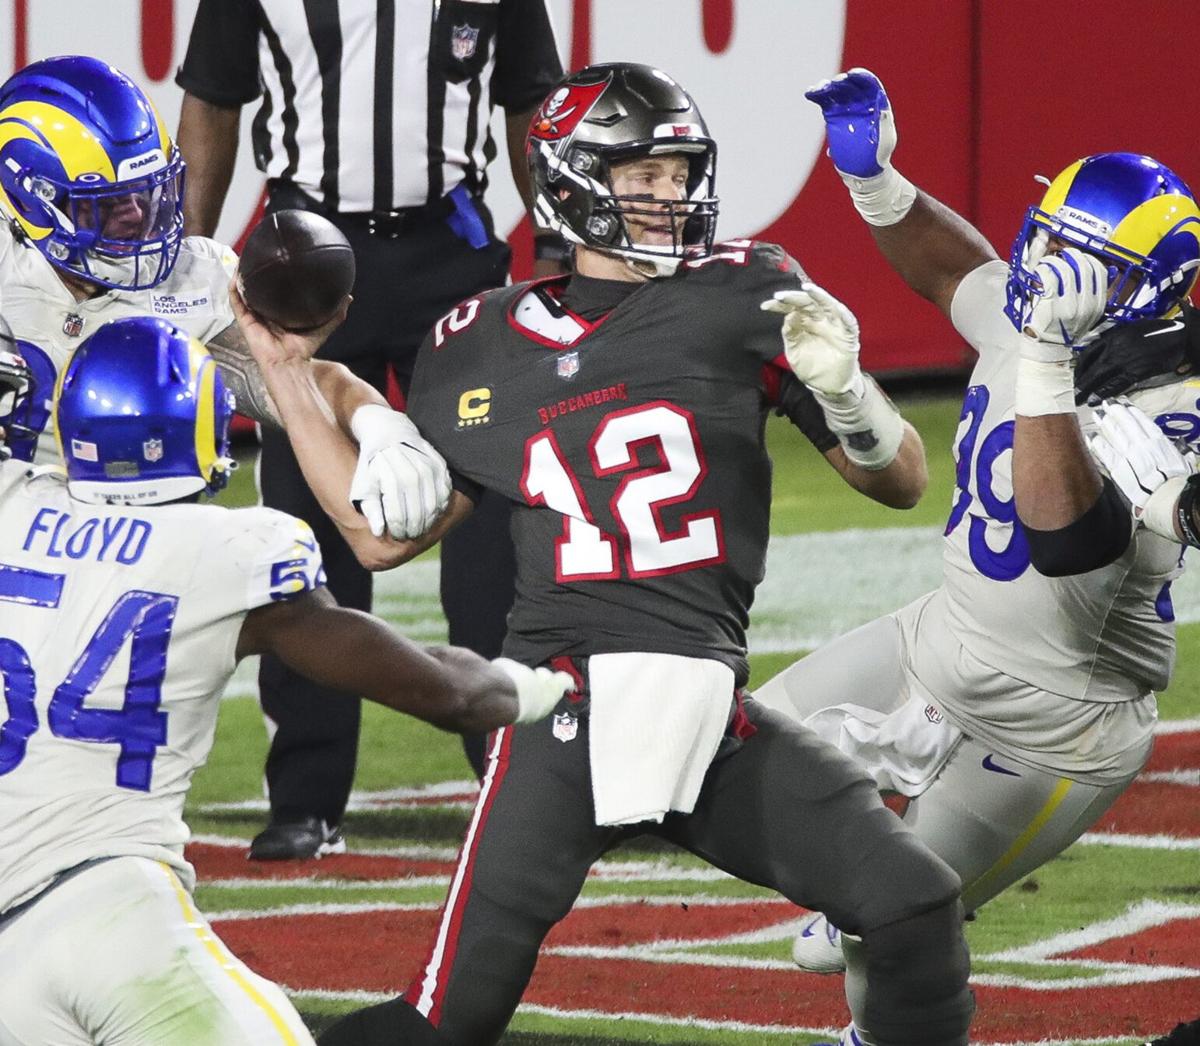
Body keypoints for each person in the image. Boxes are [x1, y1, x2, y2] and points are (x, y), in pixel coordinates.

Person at [236, 61, 977, 1046]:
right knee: (447, 1021)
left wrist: (850, 398)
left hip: (707, 711)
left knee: (914, 902)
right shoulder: (477, 341)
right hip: (564, 710)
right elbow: (378, 536)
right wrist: (289, 376)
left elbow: (902, 479)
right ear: (574, 184)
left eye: (680, 174)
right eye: (644, 176)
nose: (671, 196)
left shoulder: (749, 289)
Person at [749, 68, 1200, 1046]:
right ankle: (864, 864)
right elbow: (956, 275)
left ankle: (875, 930)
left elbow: (1067, 539)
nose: (1047, 267)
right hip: (936, 636)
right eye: (1048, 237)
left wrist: (1045, 355)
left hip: (1054, 725)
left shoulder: (1177, 405)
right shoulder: (1037, 313)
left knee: (887, 939)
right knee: (729, 750)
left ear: (1149, 289)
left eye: (1083, 259)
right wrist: (878, 183)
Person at [0, 315, 572, 1046]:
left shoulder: (13, 505)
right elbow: (447, 692)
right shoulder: (227, 551)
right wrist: (533, 687)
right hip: (105, 906)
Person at [174, 0, 567, 855]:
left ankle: (512, 777)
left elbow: (533, 101)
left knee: (493, 525)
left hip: (452, 247)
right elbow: (212, 98)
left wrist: (558, 245)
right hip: (300, 253)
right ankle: (306, 798)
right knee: (304, 530)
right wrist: (183, 259)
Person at [0, 55, 445, 569]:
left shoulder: (191, 278)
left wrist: (375, 422)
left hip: (140, 555)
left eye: (145, 192)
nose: (137, 216)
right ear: (33, 201)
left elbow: (291, 380)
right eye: (105, 203)